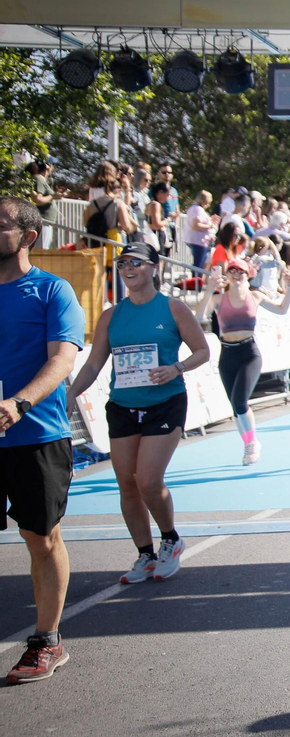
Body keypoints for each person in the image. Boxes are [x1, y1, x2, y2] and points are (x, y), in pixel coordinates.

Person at [66, 240, 209, 587]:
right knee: (126, 484)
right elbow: (95, 363)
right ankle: (145, 553)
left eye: (137, 263)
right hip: (123, 406)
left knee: (147, 479)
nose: (128, 269)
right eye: (123, 263)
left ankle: (171, 539)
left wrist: (175, 368)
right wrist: (70, 394)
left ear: (154, 267)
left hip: (165, 402)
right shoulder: (111, 316)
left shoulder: (173, 308)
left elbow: (202, 351)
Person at [0, 196, 85, 684]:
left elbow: (62, 360)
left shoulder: (52, 291)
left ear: (28, 237)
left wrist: (18, 403)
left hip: (34, 433)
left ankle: (46, 641)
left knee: (40, 536)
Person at [198, 261, 290, 464]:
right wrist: (208, 288)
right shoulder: (218, 299)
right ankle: (248, 443)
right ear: (227, 275)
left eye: (240, 271)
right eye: (232, 271)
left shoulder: (255, 296)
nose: (236, 274)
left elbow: (283, 309)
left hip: (249, 353)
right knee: (235, 407)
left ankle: (252, 443)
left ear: (248, 275)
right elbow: (199, 316)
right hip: (228, 354)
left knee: (240, 402)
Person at [182, 191, 215, 269]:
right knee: (198, 266)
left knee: (201, 264)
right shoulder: (197, 209)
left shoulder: (196, 209)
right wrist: (210, 226)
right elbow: (196, 225)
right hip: (198, 241)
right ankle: (196, 280)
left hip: (201, 241)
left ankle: (198, 279)